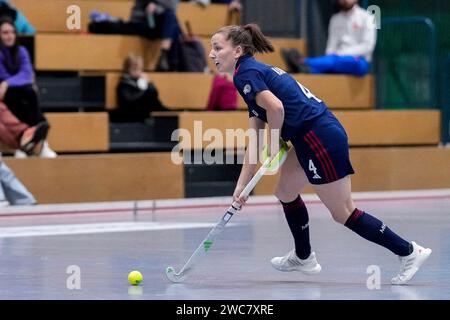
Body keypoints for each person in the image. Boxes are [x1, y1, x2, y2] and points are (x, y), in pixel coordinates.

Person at [209, 23, 431, 285]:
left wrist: (274, 140)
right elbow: (255, 137)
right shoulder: (250, 74)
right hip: (307, 137)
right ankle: (304, 258)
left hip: (319, 138)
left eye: (217, 48)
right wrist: (241, 187)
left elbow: (277, 109)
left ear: (237, 50)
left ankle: (408, 252)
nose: (211, 54)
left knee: (343, 212)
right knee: (285, 192)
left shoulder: (245, 74)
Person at [0, 17, 56, 158]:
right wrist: (9, 83)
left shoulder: (22, 51)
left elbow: (27, 74)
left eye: (12, 32)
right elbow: (3, 74)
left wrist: (8, 83)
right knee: (16, 97)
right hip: (5, 93)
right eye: (5, 33)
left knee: (29, 92)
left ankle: (32, 142)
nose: (9, 36)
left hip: (13, 88)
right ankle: (32, 140)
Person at [282, 0, 376, 76]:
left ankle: (303, 61)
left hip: (359, 61)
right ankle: (306, 69)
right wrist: (333, 55)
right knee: (324, 68)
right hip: (335, 59)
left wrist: (340, 54)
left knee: (336, 62)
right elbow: (331, 46)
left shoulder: (368, 17)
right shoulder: (335, 19)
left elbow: (368, 46)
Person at [110, 53, 168, 123]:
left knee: (151, 94)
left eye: (139, 69)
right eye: (134, 69)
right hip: (130, 114)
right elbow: (130, 101)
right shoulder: (124, 84)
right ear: (127, 69)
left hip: (144, 112)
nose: (137, 72)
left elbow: (154, 96)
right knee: (149, 93)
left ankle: (165, 113)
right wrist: (144, 88)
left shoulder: (141, 81)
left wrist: (149, 84)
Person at [130, 0, 182, 71]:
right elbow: (147, 7)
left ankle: (166, 59)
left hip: (160, 24)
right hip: (143, 21)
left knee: (173, 23)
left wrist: (157, 6)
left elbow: (172, 6)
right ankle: (170, 61)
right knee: (172, 22)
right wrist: (159, 7)